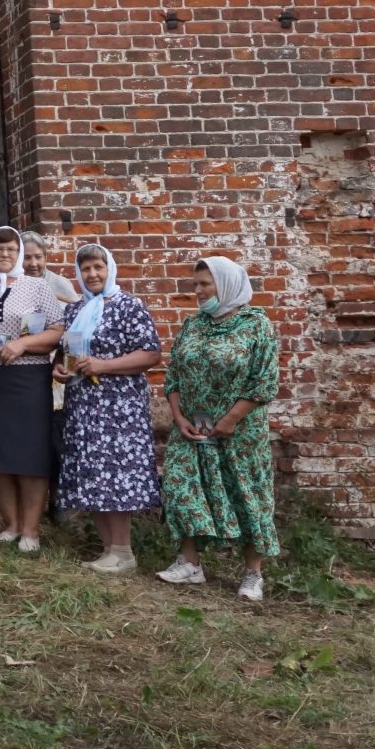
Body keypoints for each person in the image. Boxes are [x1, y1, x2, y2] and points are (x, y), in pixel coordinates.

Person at [158, 256, 280, 601]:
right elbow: (174, 375)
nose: (197, 291)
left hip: (239, 431)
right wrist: (178, 416)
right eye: (195, 285)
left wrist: (230, 420)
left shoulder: (255, 324)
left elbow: (264, 381)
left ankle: (253, 574)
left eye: (204, 285)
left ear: (225, 285)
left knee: (246, 495)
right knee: (182, 484)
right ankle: (190, 563)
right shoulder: (193, 325)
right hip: (194, 425)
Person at [55, 244, 161, 575]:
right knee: (94, 475)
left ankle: (124, 551)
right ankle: (108, 551)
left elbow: (150, 354)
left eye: (98, 267)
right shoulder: (75, 311)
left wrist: (105, 364)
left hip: (119, 407)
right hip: (84, 405)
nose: (93, 274)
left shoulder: (129, 306)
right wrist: (59, 369)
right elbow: (67, 354)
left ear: (109, 268)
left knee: (117, 475)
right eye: (86, 269)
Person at [0, 227, 66, 552]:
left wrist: (23, 344)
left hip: (28, 379)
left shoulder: (38, 288)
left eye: (10, 249)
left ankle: (32, 531)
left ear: (18, 252)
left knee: (30, 455)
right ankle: (12, 524)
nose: (4, 254)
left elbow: (58, 330)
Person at [21, 230, 83, 305]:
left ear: (45, 257)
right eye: (27, 257)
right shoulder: (10, 285)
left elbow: (77, 312)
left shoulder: (60, 283)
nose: (33, 264)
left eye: (38, 257)